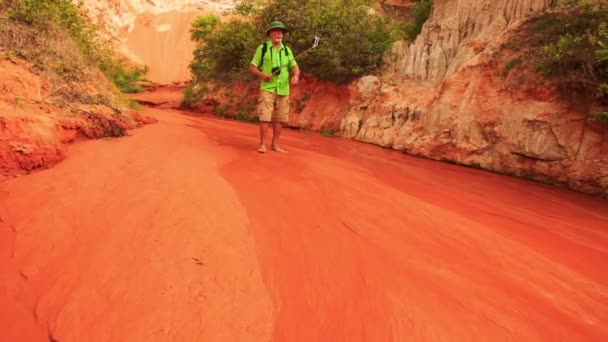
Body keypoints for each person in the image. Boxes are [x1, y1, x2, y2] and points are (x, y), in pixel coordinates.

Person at [249, 20, 300, 153]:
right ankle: (262, 144)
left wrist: (296, 75)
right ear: (270, 33)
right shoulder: (263, 48)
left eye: (281, 31)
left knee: (281, 118)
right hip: (268, 88)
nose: (279, 33)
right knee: (265, 116)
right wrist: (262, 75)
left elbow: (294, 67)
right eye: (277, 30)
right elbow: (252, 67)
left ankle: (275, 145)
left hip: (283, 89)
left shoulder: (287, 50)